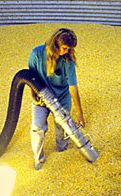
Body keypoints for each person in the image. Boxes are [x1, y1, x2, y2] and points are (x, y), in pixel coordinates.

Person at [28, 28, 85, 170]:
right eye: (65, 48)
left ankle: (62, 154)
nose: (67, 51)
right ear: (55, 44)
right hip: (41, 97)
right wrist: (34, 97)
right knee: (37, 127)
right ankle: (38, 159)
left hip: (62, 98)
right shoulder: (36, 53)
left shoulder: (68, 60)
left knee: (62, 129)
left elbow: (73, 88)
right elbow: (30, 77)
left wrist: (80, 113)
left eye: (70, 49)